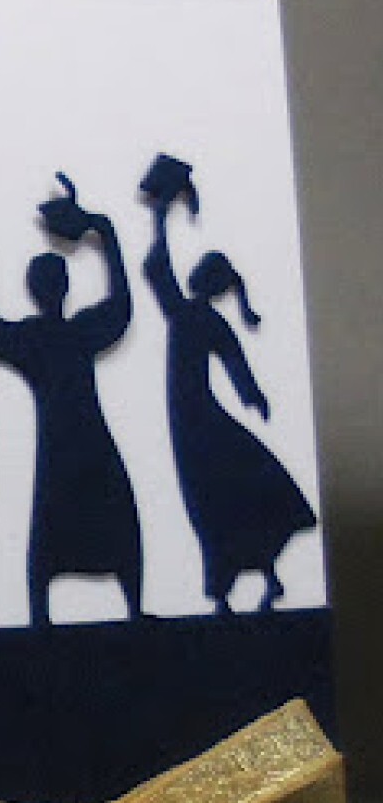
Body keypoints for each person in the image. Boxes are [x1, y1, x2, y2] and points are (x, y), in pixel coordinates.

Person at [0, 175, 143, 626]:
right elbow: (120, 303)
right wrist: (103, 232)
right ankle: (62, 614)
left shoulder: (49, 336)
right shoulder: (71, 333)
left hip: (69, 438)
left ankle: (58, 613)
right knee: (78, 515)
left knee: (90, 512)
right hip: (77, 436)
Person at [141, 159, 315, 612]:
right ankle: (247, 583)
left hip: (194, 420)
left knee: (214, 499)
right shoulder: (193, 316)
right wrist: (160, 215)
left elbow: (158, 268)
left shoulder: (191, 316)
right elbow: (157, 268)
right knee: (216, 498)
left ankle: (239, 586)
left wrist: (161, 215)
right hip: (193, 418)